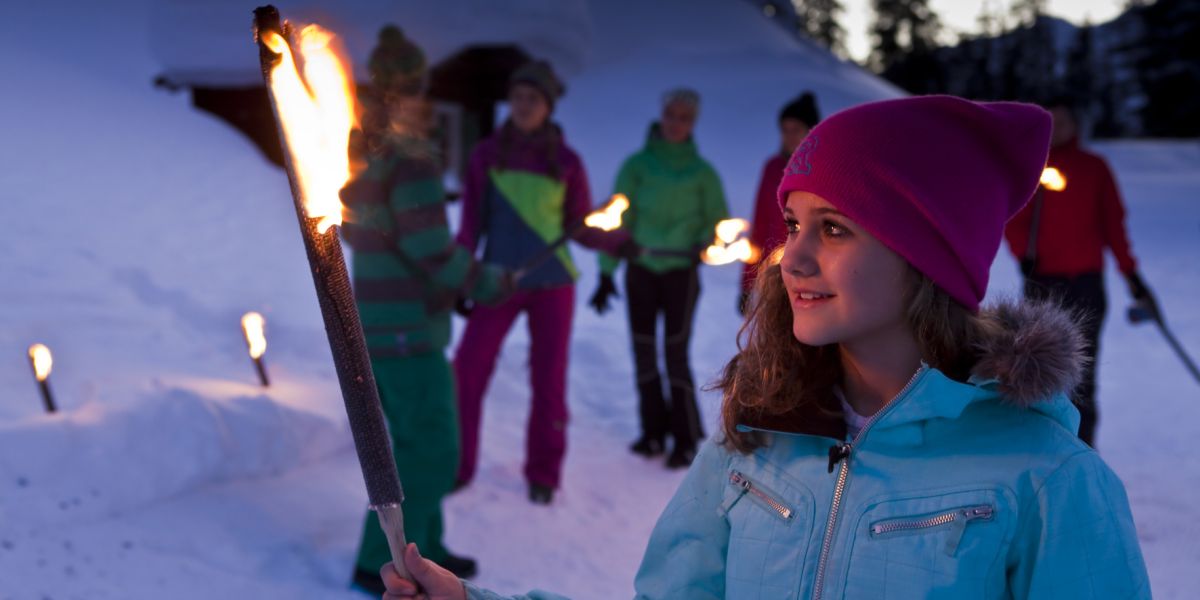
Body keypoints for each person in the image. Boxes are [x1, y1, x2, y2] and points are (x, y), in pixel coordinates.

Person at [380, 96, 1151, 599]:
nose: (794, 259)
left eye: (837, 228)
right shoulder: (757, 440)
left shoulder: (1049, 480)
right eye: (794, 225)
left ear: (930, 257)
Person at [339, 27, 516, 591]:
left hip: (379, 324)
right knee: (432, 449)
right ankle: (380, 562)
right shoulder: (410, 163)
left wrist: (445, 282)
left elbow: (389, 241)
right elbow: (431, 249)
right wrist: (486, 280)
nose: (424, 100)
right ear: (406, 93)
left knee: (416, 444)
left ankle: (426, 552)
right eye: (417, 89)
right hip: (407, 334)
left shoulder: (365, 156)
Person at [453, 60, 634, 505]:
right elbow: (471, 224)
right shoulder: (486, 155)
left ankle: (544, 473)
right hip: (497, 279)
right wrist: (462, 276)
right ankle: (457, 465)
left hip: (554, 285)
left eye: (533, 99)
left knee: (548, 379)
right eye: (517, 97)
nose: (523, 105)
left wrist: (621, 242)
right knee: (467, 370)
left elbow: (579, 225)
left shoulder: (567, 161)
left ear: (548, 107)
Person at [589, 88, 729, 469]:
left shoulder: (703, 173)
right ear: (661, 115)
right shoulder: (637, 166)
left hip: (681, 272)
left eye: (684, 117)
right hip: (642, 270)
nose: (676, 123)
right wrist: (605, 274)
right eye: (672, 115)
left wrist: (705, 241)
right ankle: (652, 433)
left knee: (675, 352)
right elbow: (617, 221)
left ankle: (684, 437)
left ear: (693, 123)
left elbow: (717, 219)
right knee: (644, 350)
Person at [1003, 97, 1156, 447]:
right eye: (1051, 122)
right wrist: (1023, 253)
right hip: (1043, 283)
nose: (1059, 129)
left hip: (1087, 283)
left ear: (1077, 125)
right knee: (1041, 370)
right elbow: (1012, 219)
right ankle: (1046, 445)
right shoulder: (1034, 169)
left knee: (1082, 374)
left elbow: (1113, 225)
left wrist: (1130, 274)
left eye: (1065, 121)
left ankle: (1083, 448)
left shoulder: (1094, 168)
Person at [739, 91, 820, 314]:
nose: (789, 136)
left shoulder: (821, 171)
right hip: (776, 273)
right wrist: (747, 283)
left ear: (811, 130)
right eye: (785, 130)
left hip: (810, 271)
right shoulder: (773, 168)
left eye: (796, 130)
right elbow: (760, 224)